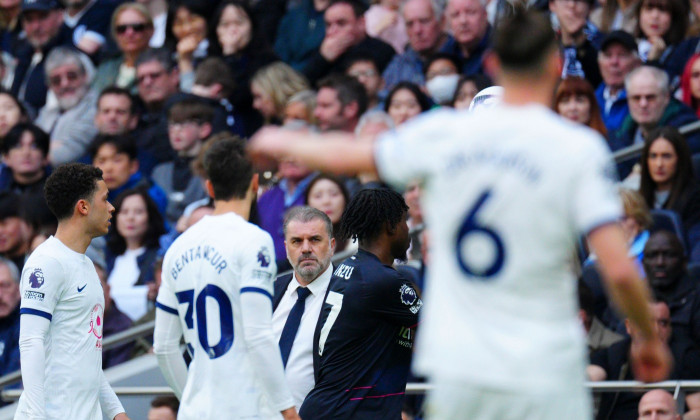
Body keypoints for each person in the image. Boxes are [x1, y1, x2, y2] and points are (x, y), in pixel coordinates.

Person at [249, 10, 671, 419]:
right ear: (555, 64)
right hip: (542, 364)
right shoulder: (575, 147)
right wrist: (648, 339)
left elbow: (352, 152)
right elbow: (617, 268)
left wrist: (281, 138)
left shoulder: (444, 135)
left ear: (492, 63)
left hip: (462, 367)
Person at [153, 136, 300, 420]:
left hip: (197, 411)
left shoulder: (177, 247)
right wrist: (288, 409)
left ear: (209, 187)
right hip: (247, 408)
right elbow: (258, 335)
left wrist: (190, 399)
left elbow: (164, 346)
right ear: (255, 184)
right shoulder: (254, 240)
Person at [15, 163, 128, 420]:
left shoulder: (86, 265)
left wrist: (116, 412)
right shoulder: (46, 261)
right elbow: (30, 341)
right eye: (105, 199)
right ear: (83, 207)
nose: (111, 207)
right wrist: (35, 415)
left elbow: (85, 353)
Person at [299, 188, 420, 419]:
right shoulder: (384, 281)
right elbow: (436, 331)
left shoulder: (348, 267)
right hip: (347, 412)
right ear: (391, 226)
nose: (408, 229)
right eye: (405, 222)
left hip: (330, 408)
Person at [271, 206, 336, 409]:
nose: (306, 248)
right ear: (286, 247)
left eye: (315, 240)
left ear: (332, 245)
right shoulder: (270, 291)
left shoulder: (350, 294)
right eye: (297, 241)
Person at [613, 66, 700, 179]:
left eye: (650, 97)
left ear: (666, 97)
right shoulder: (619, 136)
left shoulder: (690, 134)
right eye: (636, 98)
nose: (643, 104)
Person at [106, 189, 166, 321]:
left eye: (138, 212)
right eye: (124, 212)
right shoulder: (108, 256)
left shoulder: (160, 256)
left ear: (150, 217)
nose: (130, 218)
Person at [302, 0, 396, 84]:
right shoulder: (323, 51)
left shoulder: (383, 51)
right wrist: (322, 59)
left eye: (341, 23)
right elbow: (303, 85)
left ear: (361, 23)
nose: (332, 31)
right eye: (328, 25)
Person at [638, 126, 700, 252]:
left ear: (679, 159)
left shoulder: (695, 198)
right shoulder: (639, 199)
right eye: (653, 156)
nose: (659, 164)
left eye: (666, 156)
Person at [35, 46, 98, 165]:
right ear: (49, 86)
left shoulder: (97, 107)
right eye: (56, 80)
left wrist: (35, 153)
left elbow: (65, 154)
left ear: (85, 76)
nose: (64, 84)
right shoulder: (48, 112)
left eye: (71, 76)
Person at [381, 0, 450, 91]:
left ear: (442, 21)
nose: (417, 30)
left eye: (424, 21)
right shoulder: (399, 66)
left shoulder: (462, 52)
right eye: (410, 24)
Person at [91, 3, 154, 95]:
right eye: (122, 29)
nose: (129, 33)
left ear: (151, 31)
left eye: (137, 27)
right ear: (114, 35)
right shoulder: (106, 68)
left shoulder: (161, 65)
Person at [595, 30, 640, 133]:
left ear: (637, 63)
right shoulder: (591, 99)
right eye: (608, 55)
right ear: (599, 63)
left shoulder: (644, 101)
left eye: (622, 55)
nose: (614, 62)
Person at [304, 173, 353, 252]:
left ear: (345, 199)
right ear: (307, 204)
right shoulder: (303, 247)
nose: (326, 201)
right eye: (318, 196)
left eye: (334, 194)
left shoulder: (358, 241)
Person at [0, 257, 21, 384]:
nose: (0, 295)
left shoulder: (26, 326)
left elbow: (12, 384)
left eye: (5, 286)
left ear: (18, 290)